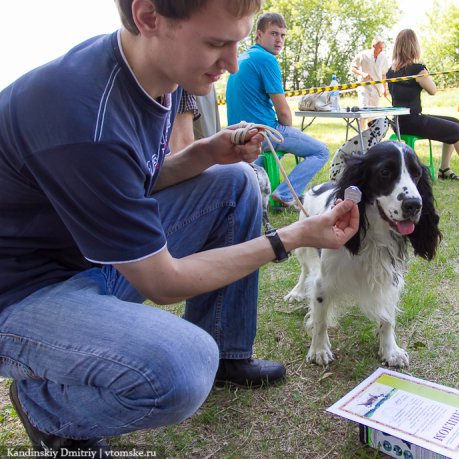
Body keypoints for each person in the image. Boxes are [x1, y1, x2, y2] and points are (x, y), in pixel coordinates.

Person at [0, 0, 359, 455]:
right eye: (216, 44)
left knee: (235, 182)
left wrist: (207, 152)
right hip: (21, 292)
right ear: (149, 16)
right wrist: (292, 236)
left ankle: (229, 350)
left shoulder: (156, 76)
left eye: (237, 43)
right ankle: (45, 405)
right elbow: (164, 281)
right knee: (182, 367)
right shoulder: (83, 112)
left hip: (88, 256)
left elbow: (134, 180)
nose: (232, 64)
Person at [226, 12, 330, 208]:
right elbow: (283, 113)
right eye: (274, 34)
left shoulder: (244, 57)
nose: (279, 40)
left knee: (278, 151)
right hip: (263, 132)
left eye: (282, 35)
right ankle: (284, 194)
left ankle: (254, 189)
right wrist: (289, 131)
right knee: (321, 151)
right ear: (258, 34)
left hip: (239, 134)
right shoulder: (266, 59)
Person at [386, 29, 459, 184]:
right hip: (413, 121)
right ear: (414, 46)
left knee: (455, 121)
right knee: (455, 130)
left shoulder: (390, 72)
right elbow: (433, 90)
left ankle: (444, 169)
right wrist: (425, 73)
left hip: (399, 123)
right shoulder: (417, 69)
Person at [350, 37, 390, 130]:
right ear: (373, 46)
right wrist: (362, 74)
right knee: (363, 111)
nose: (381, 50)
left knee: (374, 113)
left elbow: (384, 74)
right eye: (380, 47)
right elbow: (353, 67)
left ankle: (371, 135)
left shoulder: (383, 58)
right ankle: (360, 134)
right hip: (364, 87)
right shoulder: (363, 55)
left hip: (377, 88)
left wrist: (384, 89)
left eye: (382, 48)